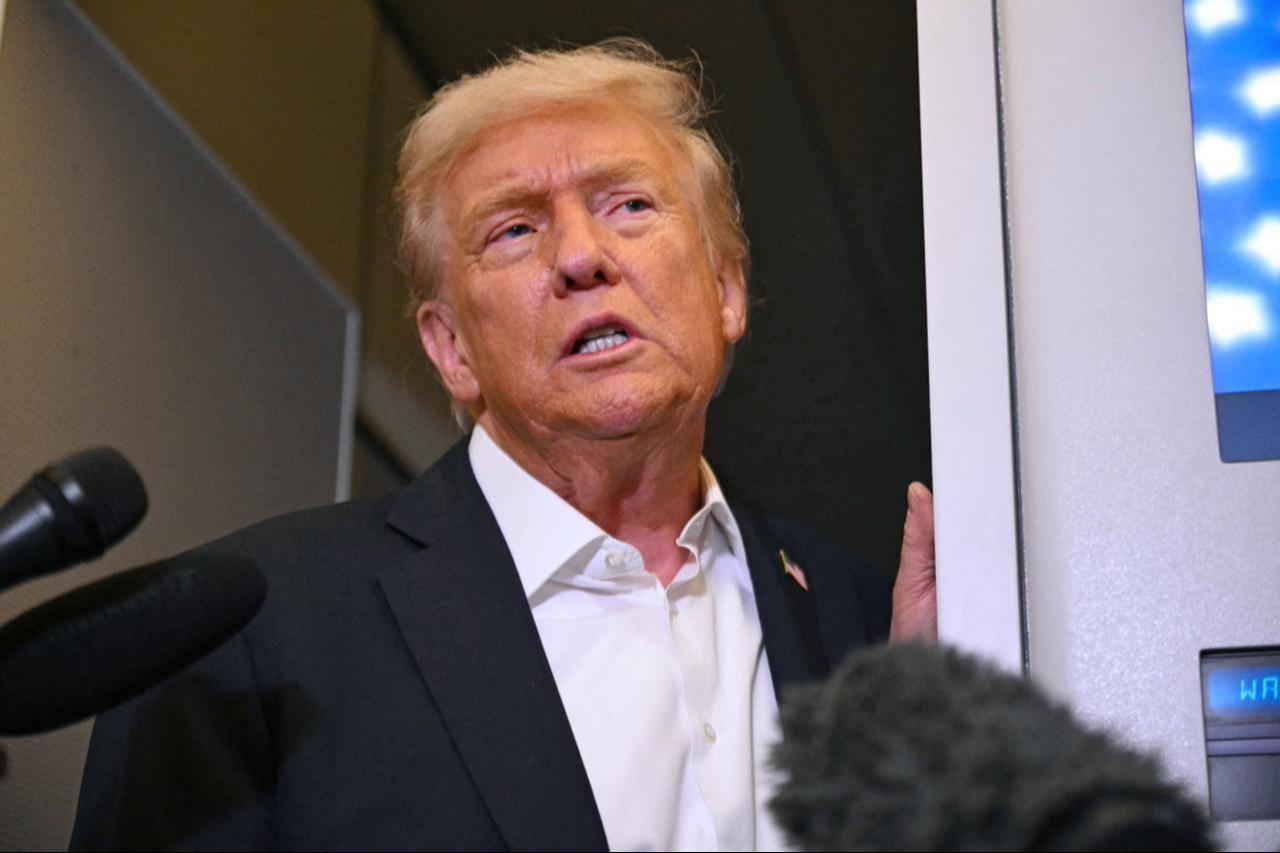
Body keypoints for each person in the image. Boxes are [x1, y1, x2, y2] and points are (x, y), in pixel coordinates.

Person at [71, 39, 936, 851]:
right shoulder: (248, 640)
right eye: (515, 230)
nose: (582, 256)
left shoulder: (863, 621)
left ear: (725, 292)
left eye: (629, 205)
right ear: (450, 349)